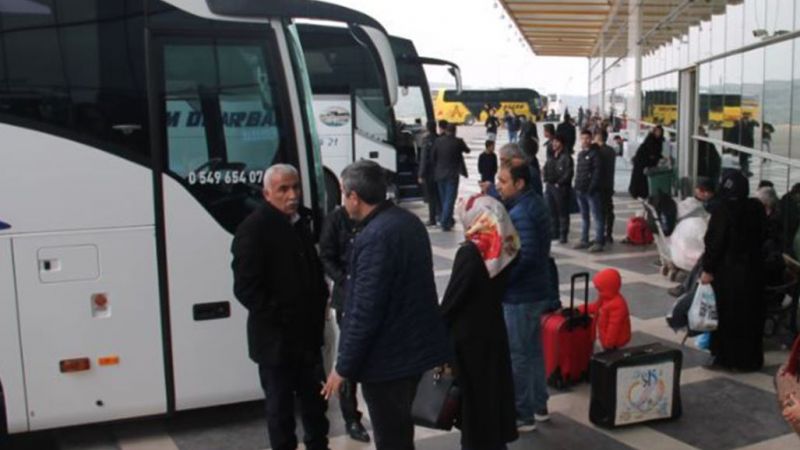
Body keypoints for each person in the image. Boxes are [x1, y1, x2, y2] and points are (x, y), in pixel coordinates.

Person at [321, 160, 451, 450]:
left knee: (391, 437)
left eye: (344, 194)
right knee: (401, 434)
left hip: (389, 361)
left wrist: (343, 367)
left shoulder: (375, 237)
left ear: (355, 197)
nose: (343, 201)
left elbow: (365, 311)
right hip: (413, 351)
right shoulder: (408, 222)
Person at [231, 164, 329, 450]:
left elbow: (312, 269)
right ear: (267, 193)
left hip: (307, 339)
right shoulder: (254, 229)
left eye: (295, 187)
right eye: (283, 189)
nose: (292, 195)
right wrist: (283, 316)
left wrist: (320, 301)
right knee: (280, 410)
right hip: (276, 342)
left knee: (315, 405)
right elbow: (246, 289)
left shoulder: (300, 222)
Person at [441, 194, 520, 450]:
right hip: (493, 329)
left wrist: (436, 325)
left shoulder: (471, 253)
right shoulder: (506, 247)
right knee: (492, 392)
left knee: (474, 401)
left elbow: (454, 298)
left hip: (468, 338)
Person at [495, 162, 554, 432]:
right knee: (532, 351)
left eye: (503, 181)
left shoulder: (522, 213)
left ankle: (524, 413)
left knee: (519, 354)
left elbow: (526, 255)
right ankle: (539, 404)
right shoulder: (534, 203)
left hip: (521, 294)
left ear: (519, 184)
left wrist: (505, 279)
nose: (499, 185)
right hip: (536, 289)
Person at [700, 170, 767, 372]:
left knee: (727, 316)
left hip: (729, 274)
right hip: (754, 272)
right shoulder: (756, 207)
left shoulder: (723, 210)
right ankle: (750, 360)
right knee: (751, 316)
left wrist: (708, 268)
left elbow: (715, 243)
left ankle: (727, 359)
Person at [318, 207, 370, 443]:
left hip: (372, 293)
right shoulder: (336, 219)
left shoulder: (375, 216)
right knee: (348, 355)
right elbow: (326, 255)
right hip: (347, 296)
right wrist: (343, 280)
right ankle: (351, 417)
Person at [577, 269, 631, 351]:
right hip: (605, 337)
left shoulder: (618, 304)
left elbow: (614, 327)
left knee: (612, 356)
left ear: (608, 287)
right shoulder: (605, 297)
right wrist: (580, 308)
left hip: (615, 342)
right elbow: (596, 307)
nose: (598, 291)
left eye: (600, 289)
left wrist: (608, 343)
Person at [432, 123, 471, 231]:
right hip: (452, 174)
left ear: (445, 131)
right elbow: (467, 150)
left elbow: (433, 156)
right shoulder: (458, 141)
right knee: (450, 199)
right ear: (455, 131)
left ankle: (448, 220)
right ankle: (445, 221)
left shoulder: (438, 141)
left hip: (439, 174)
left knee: (444, 198)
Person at [574, 129, 604, 252]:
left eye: (587, 138)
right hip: (580, 189)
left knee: (597, 216)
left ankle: (598, 241)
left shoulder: (595, 154)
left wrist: (592, 187)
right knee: (584, 216)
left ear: (591, 139)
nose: (585, 140)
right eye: (583, 138)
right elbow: (579, 172)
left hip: (591, 191)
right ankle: (584, 239)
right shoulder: (581, 154)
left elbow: (597, 173)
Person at [542, 135, 573, 243]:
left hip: (560, 188)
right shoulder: (551, 156)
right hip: (550, 186)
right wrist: (546, 179)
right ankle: (554, 232)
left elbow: (568, 173)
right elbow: (545, 168)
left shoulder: (566, 157)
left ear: (562, 143)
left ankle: (563, 234)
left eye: (556, 142)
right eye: (553, 142)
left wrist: (559, 183)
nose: (554, 144)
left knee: (562, 212)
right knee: (551, 210)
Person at [628, 125, 665, 199]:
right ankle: (637, 192)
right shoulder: (650, 139)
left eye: (660, 132)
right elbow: (652, 151)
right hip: (642, 160)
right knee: (639, 176)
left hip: (646, 161)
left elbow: (656, 152)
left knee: (644, 177)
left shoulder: (659, 140)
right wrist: (660, 157)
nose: (658, 133)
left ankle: (643, 193)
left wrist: (660, 157)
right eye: (657, 131)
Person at [594, 128, 616, 244]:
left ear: (599, 137)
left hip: (600, 185)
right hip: (609, 184)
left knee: (600, 211)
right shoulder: (611, 151)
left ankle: (601, 235)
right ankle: (609, 234)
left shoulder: (598, 151)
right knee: (609, 210)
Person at [418, 120, 441, 226]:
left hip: (429, 172)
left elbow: (424, 159)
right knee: (438, 195)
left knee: (431, 196)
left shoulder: (426, 141)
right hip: (439, 171)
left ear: (427, 128)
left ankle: (432, 218)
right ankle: (440, 215)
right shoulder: (439, 139)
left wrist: (421, 174)